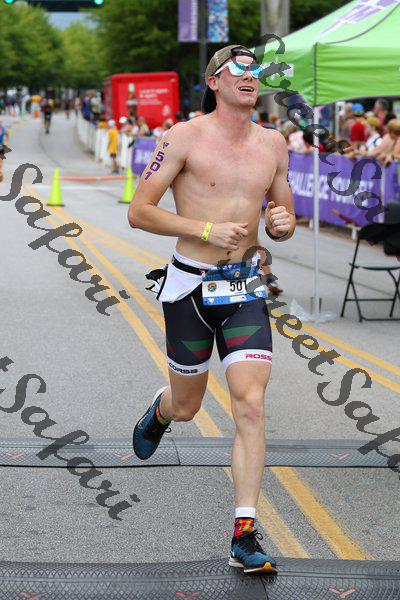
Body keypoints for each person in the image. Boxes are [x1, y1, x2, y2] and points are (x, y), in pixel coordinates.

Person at [128, 44, 295, 575]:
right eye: (237, 69)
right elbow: (139, 212)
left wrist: (282, 223)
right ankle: (162, 411)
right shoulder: (183, 137)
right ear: (215, 81)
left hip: (243, 287)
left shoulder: (273, 143)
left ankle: (243, 533)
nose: (250, 76)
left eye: (255, 70)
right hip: (190, 287)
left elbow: (282, 213)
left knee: (250, 404)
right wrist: (204, 229)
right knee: (188, 406)